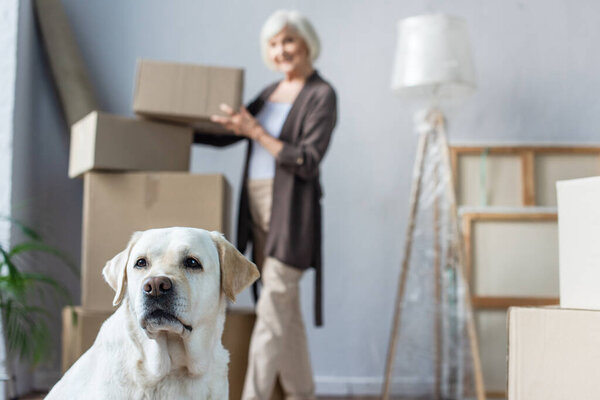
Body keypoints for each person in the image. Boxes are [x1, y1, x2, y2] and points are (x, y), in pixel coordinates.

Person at [195, 9, 337, 400]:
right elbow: (230, 133)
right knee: (282, 312)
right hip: (256, 207)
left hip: (291, 213)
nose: (281, 50)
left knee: (273, 309)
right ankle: (302, 392)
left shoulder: (321, 95)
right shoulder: (270, 93)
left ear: (306, 42)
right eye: (273, 44)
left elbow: (306, 159)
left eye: (288, 40)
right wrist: (177, 127)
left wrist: (255, 131)